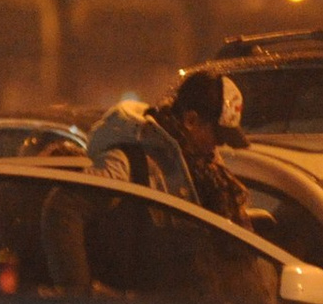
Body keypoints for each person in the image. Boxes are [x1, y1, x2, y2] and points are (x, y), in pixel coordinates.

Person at [84, 71, 254, 229]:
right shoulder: (131, 161)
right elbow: (66, 206)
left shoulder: (206, 165)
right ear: (191, 120)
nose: (219, 144)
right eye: (217, 135)